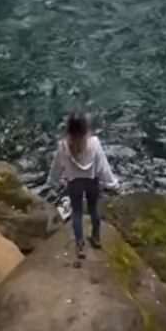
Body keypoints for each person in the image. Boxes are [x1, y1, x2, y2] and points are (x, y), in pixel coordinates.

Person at [49, 112, 118, 264]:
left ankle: (80, 245)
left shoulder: (63, 146)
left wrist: (52, 181)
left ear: (68, 130)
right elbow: (102, 165)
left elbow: (56, 167)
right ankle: (96, 238)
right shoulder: (94, 142)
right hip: (92, 181)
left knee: (77, 213)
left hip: (74, 183)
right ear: (86, 128)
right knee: (94, 209)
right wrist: (111, 182)